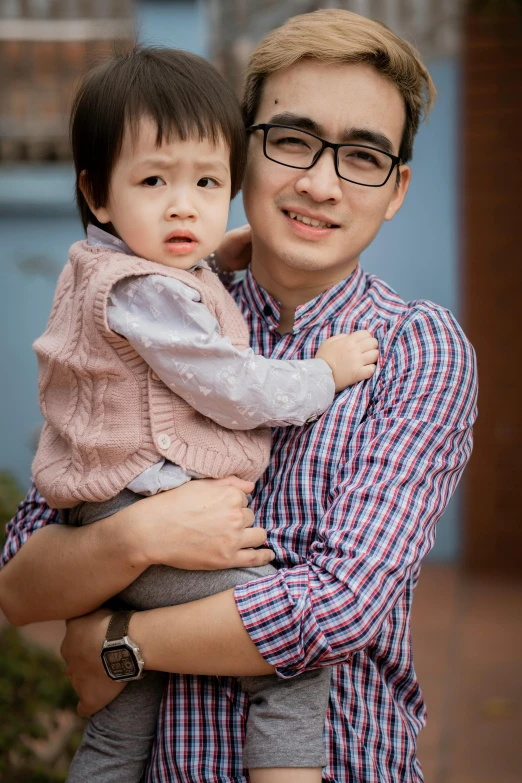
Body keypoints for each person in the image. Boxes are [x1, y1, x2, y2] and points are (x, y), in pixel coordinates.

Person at [0, 9, 477, 783]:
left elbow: (338, 608)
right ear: (242, 151)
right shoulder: (156, 310)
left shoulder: (414, 349)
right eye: (292, 140)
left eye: (362, 156)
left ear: (396, 191)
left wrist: (116, 643)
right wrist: (140, 537)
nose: (320, 183)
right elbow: (20, 579)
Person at [30, 47, 377, 783]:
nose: (184, 204)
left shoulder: (123, 270)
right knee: (291, 665)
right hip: (143, 520)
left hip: (106, 515)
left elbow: (172, 282)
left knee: (121, 721)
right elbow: (228, 384)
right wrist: (325, 372)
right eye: (154, 180)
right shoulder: (146, 292)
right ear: (97, 193)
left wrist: (219, 256)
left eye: (207, 182)